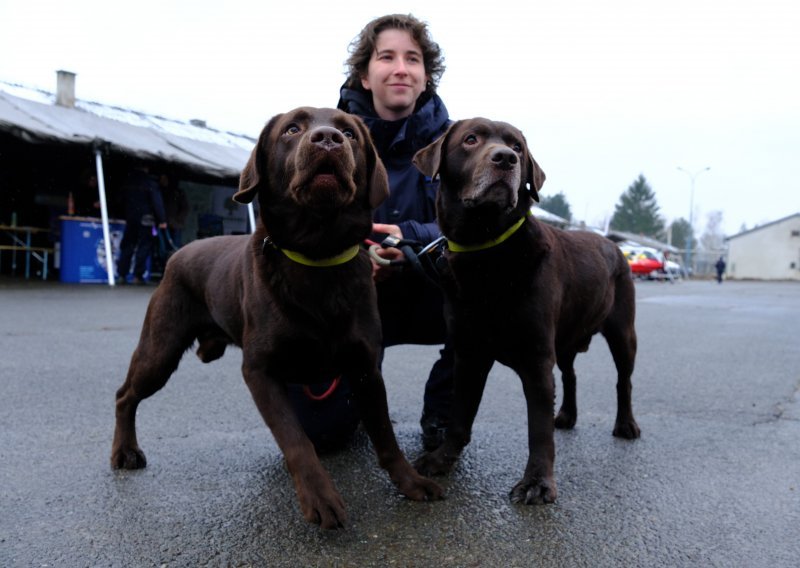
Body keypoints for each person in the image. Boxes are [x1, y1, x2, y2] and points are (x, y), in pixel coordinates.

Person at [288, 14, 454, 451]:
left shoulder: (458, 145)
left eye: (412, 59)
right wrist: (357, 258)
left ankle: (444, 411)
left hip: (430, 290)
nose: (401, 68)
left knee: (487, 293)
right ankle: (353, 398)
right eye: (387, 57)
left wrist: (410, 239)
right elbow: (295, 222)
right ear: (364, 74)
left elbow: (476, 227)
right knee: (322, 436)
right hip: (348, 297)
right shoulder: (323, 139)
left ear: (425, 76)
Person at [116, 164, 167, 285]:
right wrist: (162, 220)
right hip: (146, 219)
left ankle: (122, 274)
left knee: (128, 245)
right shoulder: (150, 183)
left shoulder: (127, 181)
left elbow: (119, 200)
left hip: (131, 218)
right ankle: (137, 276)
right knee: (143, 247)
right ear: (146, 168)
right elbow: (157, 203)